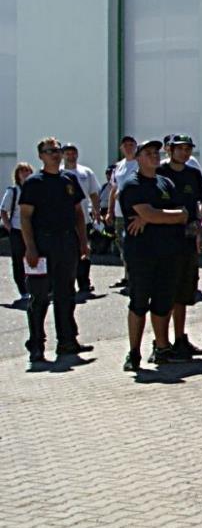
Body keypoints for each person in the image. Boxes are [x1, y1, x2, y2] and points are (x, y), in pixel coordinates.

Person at [18, 139, 91, 363]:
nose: (55, 154)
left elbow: (78, 212)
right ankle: (37, 345)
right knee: (39, 297)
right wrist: (30, 247)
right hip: (42, 244)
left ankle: (67, 341)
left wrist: (83, 241)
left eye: (57, 150)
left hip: (66, 242)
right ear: (40, 155)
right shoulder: (33, 183)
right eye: (49, 151)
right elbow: (25, 217)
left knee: (66, 294)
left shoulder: (69, 179)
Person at [119, 138, 188, 371]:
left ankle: (161, 347)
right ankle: (133, 353)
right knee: (139, 302)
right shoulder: (132, 184)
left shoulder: (166, 183)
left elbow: (183, 214)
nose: (154, 156)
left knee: (163, 302)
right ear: (138, 158)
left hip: (169, 252)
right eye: (148, 153)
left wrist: (152, 216)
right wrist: (153, 216)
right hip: (142, 254)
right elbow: (151, 214)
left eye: (156, 152)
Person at [157, 135, 202, 358]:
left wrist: (199, 231)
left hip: (187, 239)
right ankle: (161, 342)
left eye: (188, 149)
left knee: (184, 292)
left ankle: (180, 339)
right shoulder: (159, 172)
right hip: (164, 239)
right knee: (165, 292)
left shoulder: (193, 173)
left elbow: (201, 204)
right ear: (169, 150)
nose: (185, 153)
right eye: (180, 149)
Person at [61, 144, 99, 296]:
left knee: (84, 251)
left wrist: (96, 210)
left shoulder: (86, 172)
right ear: (63, 156)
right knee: (67, 253)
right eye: (67, 153)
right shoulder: (59, 173)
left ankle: (84, 282)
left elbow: (94, 193)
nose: (71, 156)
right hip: (65, 221)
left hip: (84, 219)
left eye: (73, 153)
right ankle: (66, 284)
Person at [109, 134, 139, 290]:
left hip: (135, 212)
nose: (128, 148)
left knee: (133, 245)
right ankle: (127, 275)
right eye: (125, 145)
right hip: (120, 213)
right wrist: (110, 211)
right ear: (121, 148)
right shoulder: (119, 166)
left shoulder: (139, 163)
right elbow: (113, 189)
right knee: (121, 244)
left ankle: (135, 275)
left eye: (131, 145)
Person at [3, 162, 32, 306]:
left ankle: (37, 287)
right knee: (19, 261)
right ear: (17, 175)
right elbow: (3, 211)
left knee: (36, 259)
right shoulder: (13, 191)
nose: (25, 174)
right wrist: (9, 227)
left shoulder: (35, 190)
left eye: (27, 171)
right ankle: (23, 290)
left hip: (33, 230)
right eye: (22, 171)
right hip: (17, 230)